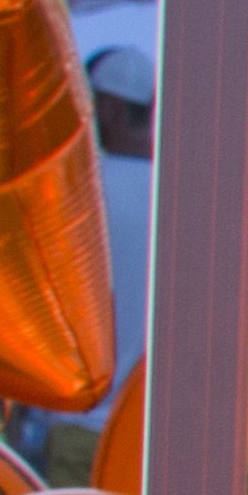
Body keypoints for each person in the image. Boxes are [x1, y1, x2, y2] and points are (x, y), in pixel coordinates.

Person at [83, 41, 152, 395]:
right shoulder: (190, 196)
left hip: (86, 416)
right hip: (162, 419)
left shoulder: (83, 193)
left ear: (107, 108)